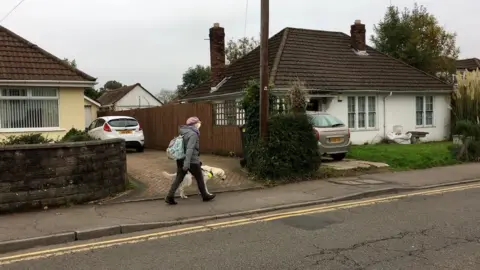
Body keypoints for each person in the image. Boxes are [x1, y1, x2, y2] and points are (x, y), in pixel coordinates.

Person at [165, 116, 216, 205]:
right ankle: (205, 195)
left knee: (178, 178)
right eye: (198, 122)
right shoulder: (193, 134)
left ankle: (169, 196)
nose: (199, 124)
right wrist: (187, 163)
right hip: (191, 161)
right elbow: (189, 149)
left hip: (180, 159)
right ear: (194, 124)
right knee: (200, 178)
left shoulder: (183, 132)